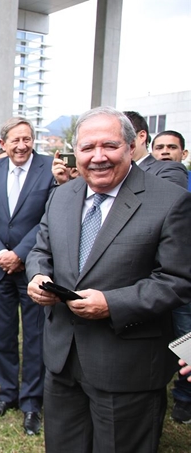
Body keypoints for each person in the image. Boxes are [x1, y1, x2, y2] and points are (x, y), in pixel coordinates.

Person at [26, 106, 191, 452]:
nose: (97, 157)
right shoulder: (61, 196)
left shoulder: (170, 201)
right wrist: (38, 275)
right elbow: (42, 250)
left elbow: (177, 280)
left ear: (131, 147)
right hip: (62, 360)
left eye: (109, 146)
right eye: (87, 148)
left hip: (126, 366)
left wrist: (112, 304)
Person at [0, 117, 54, 435]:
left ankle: (32, 402)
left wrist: (19, 254)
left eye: (28, 139)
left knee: (35, 337)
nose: (22, 145)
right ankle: (7, 393)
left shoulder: (48, 168)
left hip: (32, 268)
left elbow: (50, 215)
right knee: (3, 334)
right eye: (15, 140)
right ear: (3, 143)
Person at [150, 129, 191, 423]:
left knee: (186, 336)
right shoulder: (149, 184)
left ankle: (185, 397)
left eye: (172, 147)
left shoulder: (180, 185)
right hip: (158, 277)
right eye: (159, 146)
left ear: (183, 154)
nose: (165, 151)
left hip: (185, 277)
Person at [123, 111, 187, 188]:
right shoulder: (116, 171)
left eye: (122, 137)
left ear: (142, 136)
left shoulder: (171, 169)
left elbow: (166, 198)